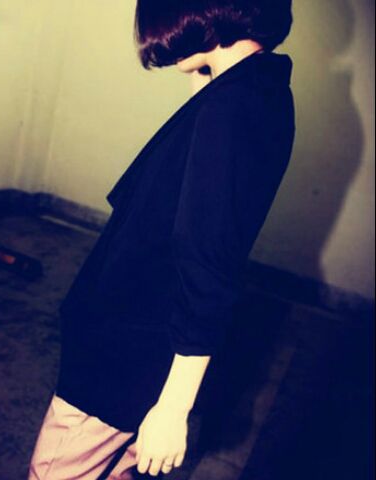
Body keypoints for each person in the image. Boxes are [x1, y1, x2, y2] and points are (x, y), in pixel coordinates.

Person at [28, 1, 295, 479]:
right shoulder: (257, 91)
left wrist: (174, 408)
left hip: (125, 353)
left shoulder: (231, 110)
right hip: (145, 345)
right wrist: (205, 72)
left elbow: (208, 262)